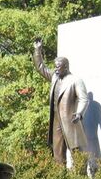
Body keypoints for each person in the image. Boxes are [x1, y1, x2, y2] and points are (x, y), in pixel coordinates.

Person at [32, 38, 90, 168]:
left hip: (71, 121)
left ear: (66, 67)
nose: (56, 69)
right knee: (58, 155)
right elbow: (40, 67)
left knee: (77, 154)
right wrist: (37, 50)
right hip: (56, 122)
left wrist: (80, 113)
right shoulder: (54, 77)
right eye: (55, 67)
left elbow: (83, 98)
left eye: (58, 67)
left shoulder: (75, 80)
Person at [82, 91, 101, 176]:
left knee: (90, 169)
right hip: (92, 142)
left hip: (85, 142)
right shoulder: (96, 106)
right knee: (95, 170)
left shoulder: (83, 106)